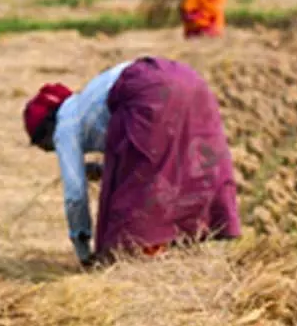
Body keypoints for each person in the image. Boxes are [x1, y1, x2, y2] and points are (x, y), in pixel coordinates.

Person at [23, 56, 241, 268]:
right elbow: (131, 149)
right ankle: (192, 236)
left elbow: (75, 195)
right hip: (188, 80)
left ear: (46, 129)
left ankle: (141, 257)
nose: (49, 150)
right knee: (191, 163)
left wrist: (83, 249)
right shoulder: (87, 101)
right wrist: (102, 170)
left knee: (134, 195)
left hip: (149, 93)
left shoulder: (64, 127)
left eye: (44, 145)